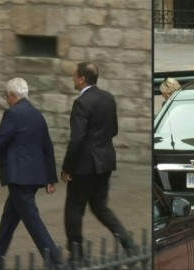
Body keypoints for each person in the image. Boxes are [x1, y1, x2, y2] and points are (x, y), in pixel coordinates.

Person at [0, 78, 63, 269]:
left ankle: (54, 258)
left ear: (13, 95)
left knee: (32, 219)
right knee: (9, 218)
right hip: (34, 176)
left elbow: (0, 141)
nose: (6, 100)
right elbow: (47, 147)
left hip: (19, 176)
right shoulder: (37, 115)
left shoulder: (13, 114)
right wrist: (50, 179)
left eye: (6, 96)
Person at [61, 62, 137, 262]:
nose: (72, 79)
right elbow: (113, 130)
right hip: (104, 162)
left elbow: (76, 139)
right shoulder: (108, 98)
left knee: (74, 207)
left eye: (74, 75)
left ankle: (76, 254)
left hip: (84, 166)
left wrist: (67, 168)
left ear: (82, 79)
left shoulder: (82, 103)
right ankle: (128, 243)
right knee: (100, 206)